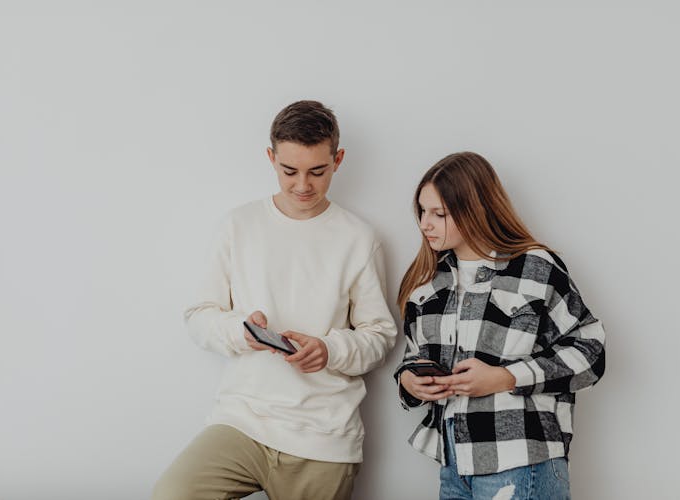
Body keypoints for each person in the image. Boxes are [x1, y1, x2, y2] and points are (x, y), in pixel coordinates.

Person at [153, 100, 397, 500]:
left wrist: (330, 349)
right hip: (242, 422)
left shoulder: (359, 238)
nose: (303, 185)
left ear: (338, 160)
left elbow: (380, 336)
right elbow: (199, 316)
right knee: (172, 494)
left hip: (323, 436)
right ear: (271, 158)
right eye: (289, 171)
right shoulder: (239, 225)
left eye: (317, 171)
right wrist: (241, 331)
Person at [394, 152, 605, 500]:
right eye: (421, 211)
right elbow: (413, 355)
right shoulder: (428, 285)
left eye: (438, 214)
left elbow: (591, 351)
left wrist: (505, 378)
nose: (424, 223)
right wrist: (410, 380)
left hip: (521, 460)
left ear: (473, 210)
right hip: (453, 463)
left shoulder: (534, 267)